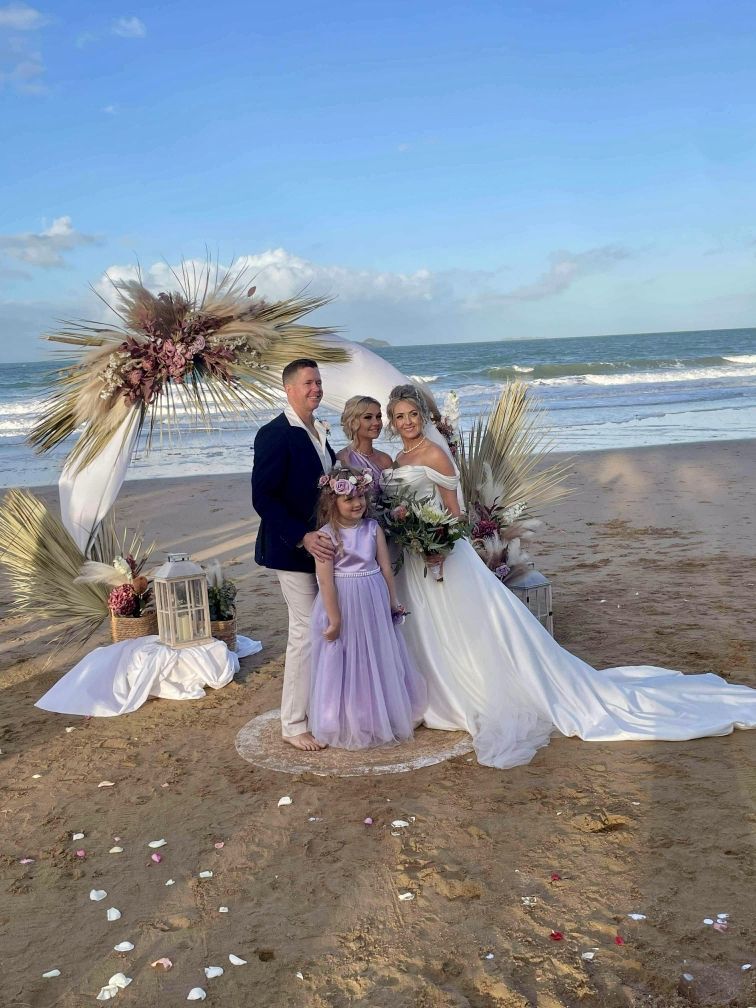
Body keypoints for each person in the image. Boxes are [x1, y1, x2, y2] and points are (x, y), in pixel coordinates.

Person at [381, 383, 756, 769]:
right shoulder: (396, 458)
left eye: (412, 414)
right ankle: (434, 695)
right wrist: (413, 537)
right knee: (428, 629)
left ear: (422, 417)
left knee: (469, 628)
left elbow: (455, 513)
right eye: (399, 417)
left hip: (444, 554)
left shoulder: (436, 455)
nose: (407, 422)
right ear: (392, 423)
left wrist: (436, 542)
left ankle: (467, 695)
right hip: (413, 560)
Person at [251, 358, 338, 752]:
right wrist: (302, 537)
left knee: (325, 631)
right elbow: (263, 498)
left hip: (325, 549)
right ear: (288, 389)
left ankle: (320, 711)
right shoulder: (275, 434)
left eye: (318, 382)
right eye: (308, 383)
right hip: (292, 551)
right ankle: (293, 723)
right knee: (304, 634)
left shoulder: (319, 431)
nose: (316, 388)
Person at [308, 464, 426, 749]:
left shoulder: (373, 529)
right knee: (349, 656)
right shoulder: (326, 536)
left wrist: (392, 601)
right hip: (345, 601)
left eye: (360, 496)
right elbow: (325, 582)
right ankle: (348, 716)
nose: (357, 503)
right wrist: (334, 620)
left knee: (377, 653)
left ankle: (380, 713)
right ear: (331, 502)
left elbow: (385, 568)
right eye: (348, 499)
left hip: (373, 598)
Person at [336, 395, 393, 486]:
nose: (376, 423)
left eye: (378, 416)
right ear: (353, 421)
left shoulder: (385, 460)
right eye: (368, 417)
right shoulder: (342, 459)